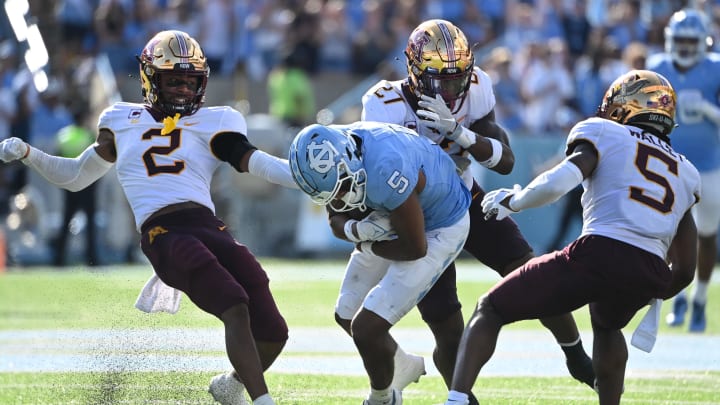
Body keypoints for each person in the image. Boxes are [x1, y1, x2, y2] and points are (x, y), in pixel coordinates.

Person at [0, 30, 300, 405]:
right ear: (149, 78)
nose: (182, 90)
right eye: (173, 80)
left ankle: (231, 384)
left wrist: (301, 176)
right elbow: (76, 177)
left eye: (190, 82)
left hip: (208, 226)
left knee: (273, 330)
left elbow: (252, 161)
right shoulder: (121, 120)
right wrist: (30, 153)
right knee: (234, 304)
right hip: (163, 231)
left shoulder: (215, 121)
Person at [358, 19, 594, 402]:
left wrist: (461, 133)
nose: (452, 89)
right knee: (447, 325)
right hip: (421, 215)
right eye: (441, 80)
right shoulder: (383, 105)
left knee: (527, 270)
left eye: (458, 78)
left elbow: (504, 161)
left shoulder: (478, 87)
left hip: (465, 193)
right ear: (413, 71)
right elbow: (391, 178)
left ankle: (575, 353)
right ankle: (461, 398)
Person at [442, 69, 700, 405]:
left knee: (490, 308)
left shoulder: (604, 132)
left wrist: (515, 200)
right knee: (608, 325)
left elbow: (560, 181)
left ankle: (456, 400)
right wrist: (652, 286)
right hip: (649, 269)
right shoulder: (685, 170)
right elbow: (685, 269)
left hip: (599, 252)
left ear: (624, 105)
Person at [288, 120, 472, 405]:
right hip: (396, 210)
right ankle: (402, 366)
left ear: (348, 161)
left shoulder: (385, 167)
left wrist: (366, 241)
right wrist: (355, 231)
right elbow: (335, 217)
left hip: (439, 226)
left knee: (366, 328)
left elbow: (414, 247)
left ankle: (382, 399)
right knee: (346, 313)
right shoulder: (337, 152)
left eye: (341, 188)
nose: (338, 198)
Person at [647, 8, 720, 333]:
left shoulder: (716, 68)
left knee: (706, 234)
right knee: (665, 235)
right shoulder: (657, 67)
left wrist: (709, 110)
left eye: (692, 40)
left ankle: (700, 298)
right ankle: (671, 295)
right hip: (669, 164)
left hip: (709, 165)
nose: (687, 47)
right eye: (682, 40)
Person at [52, 110, 99, 267]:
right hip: (87, 184)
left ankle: (59, 258)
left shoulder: (63, 135)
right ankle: (91, 258)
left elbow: (57, 160)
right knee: (90, 223)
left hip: (69, 184)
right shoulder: (88, 135)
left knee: (66, 221)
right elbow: (97, 160)